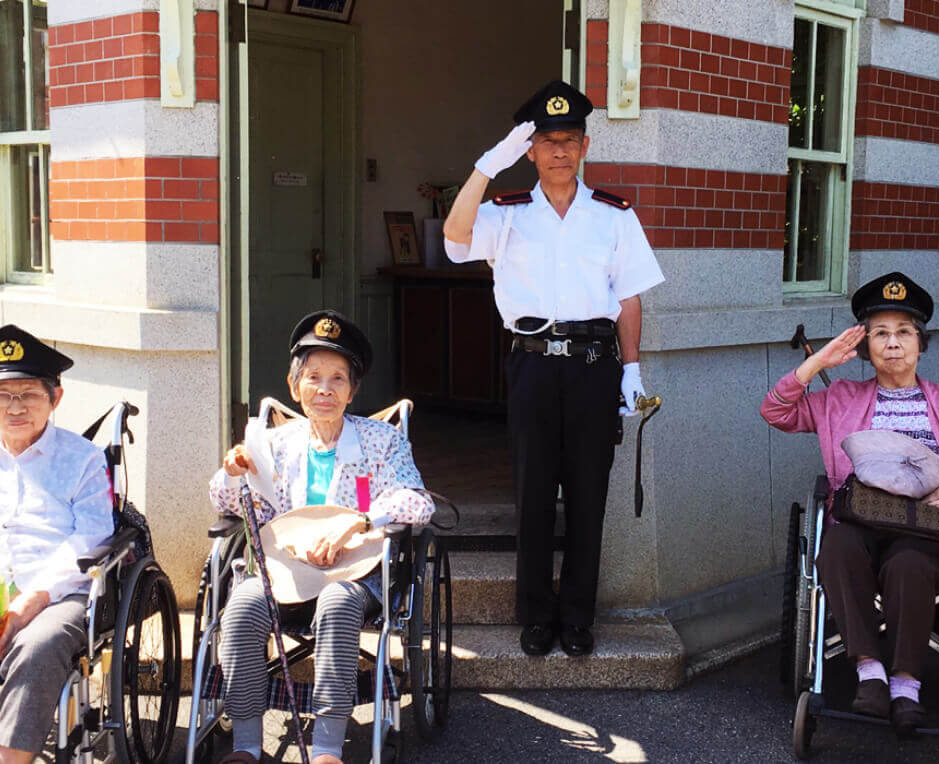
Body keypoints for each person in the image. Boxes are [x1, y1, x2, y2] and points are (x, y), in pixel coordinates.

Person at [443, 80, 664, 657]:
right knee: (534, 493)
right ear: (531, 150)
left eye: (569, 139)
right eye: (546, 141)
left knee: (589, 494)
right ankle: (536, 613)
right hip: (534, 367)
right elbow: (454, 237)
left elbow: (631, 297)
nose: (559, 150)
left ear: (585, 147)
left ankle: (579, 615)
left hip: (595, 366)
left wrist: (631, 372)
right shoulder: (505, 212)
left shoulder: (613, 215)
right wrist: (486, 167)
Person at [760, 272, 939, 734]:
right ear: (865, 346)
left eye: (903, 332)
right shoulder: (840, 398)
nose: (892, 343)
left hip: (933, 530)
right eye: (880, 333)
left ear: (921, 343)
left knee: (908, 565)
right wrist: (815, 364)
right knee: (834, 548)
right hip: (864, 521)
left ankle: (905, 685)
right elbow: (775, 411)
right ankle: (870, 673)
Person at [210, 310, 434, 764]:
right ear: (296, 387)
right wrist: (233, 474)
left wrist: (360, 521)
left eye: (337, 378)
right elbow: (230, 505)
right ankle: (247, 745)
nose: (325, 389)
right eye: (313, 378)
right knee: (241, 607)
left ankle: (328, 747)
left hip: (355, 571)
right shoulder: (276, 443)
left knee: (337, 603)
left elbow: (420, 503)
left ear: (353, 389)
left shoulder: (381, 442)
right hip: (285, 572)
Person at [0, 325, 114, 763]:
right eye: (4, 394)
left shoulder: (83, 460)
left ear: (55, 398)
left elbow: (89, 538)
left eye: (27, 394)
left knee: (38, 644)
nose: (14, 407)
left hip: (59, 596)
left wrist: (33, 599)